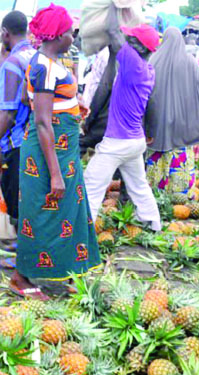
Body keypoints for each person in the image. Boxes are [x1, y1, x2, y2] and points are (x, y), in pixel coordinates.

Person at [13, 4, 101, 300]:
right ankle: (20, 276)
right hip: (47, 153)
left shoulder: (51, 63)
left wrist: (74, 107)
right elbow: (41, 121)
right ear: (57, 34)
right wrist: (54, 174)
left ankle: (71, 271)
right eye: (69, 31)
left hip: (63, 149)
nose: (73, 36)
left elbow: (48, 107)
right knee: (42, 213)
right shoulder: (44, 67)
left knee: (69, 210)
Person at [84, 6, 161, 233]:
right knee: (138, 185)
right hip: (135, 141)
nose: (126, 40)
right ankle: (153, 223)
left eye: (131, 39)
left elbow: (110, 30)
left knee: (92, 183)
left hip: (117, 142)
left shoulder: (131, 63)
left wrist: (112, 4)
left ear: (137, 47)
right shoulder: (147, 69)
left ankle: (82, 229)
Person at [0, 11, 36, 268]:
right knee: (28, 195)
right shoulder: (34, 55)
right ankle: (23, 245)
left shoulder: (12, 63)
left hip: (17, 141)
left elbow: (9, 113)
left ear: (4, 33)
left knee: (17, 197)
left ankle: (24, 257)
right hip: (35, 138)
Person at [145, 28, 199, 196]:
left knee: (156, 152)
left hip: (157, 119)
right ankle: (179, 193)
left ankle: (153, 191)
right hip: (181, 119)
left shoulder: (153, 60)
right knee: (179, 149)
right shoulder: (188, 61)